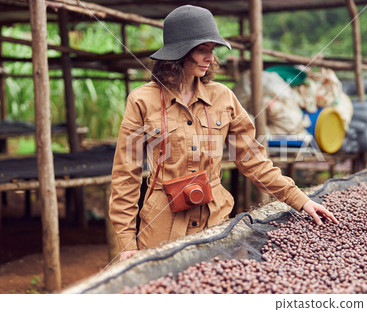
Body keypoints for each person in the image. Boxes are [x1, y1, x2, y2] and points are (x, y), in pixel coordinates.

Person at [109, 5, 338, 261]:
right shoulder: (142, 100)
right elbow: (125, 176)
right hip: (161, 226)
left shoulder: (223, 97)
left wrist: (299, 199)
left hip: (215, 222)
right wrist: (127, 241)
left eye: (212, 50)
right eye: (202, 50)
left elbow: (253, 160)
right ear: (178, 54)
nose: (211, 58)